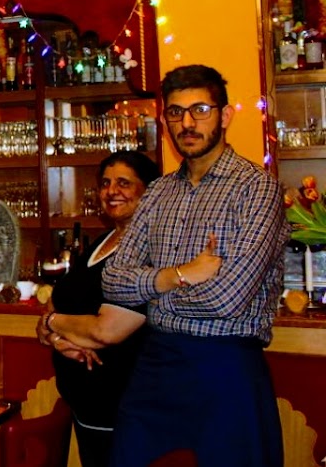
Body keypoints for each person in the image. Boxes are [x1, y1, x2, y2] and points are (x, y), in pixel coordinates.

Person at [101, 65, 287, 466]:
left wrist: (153, 296)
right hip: (154, 368)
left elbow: (228, 298)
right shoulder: (157, 192)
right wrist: (179, 276)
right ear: (164, 120)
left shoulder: (257, 189)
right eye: (175, 112)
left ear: (226, 115)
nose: (187, 123)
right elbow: (113, 281)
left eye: (200, 110)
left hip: (226, 370)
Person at [36, 150, 160, 467]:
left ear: (149, 191)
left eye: (124, 183)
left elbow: (104, 331)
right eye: (105, 183)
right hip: (88, 408)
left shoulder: (148, 250)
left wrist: (53, 322)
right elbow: (56, 303)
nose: (111, 191)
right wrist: (57, 337)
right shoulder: (103, 241)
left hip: (122, 406)